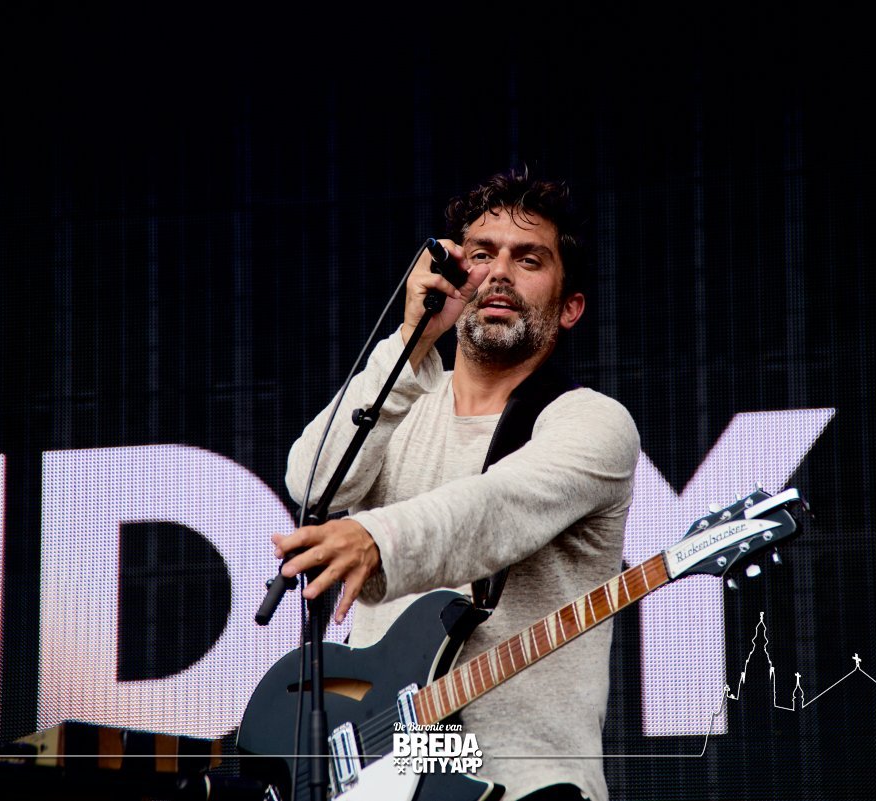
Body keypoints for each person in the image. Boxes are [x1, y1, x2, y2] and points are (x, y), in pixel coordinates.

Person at [272, 167, 640, 801]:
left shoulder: (591, 422)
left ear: (570, 307)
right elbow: (311, 484)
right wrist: (410, 343)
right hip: (394, 775)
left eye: (529, 259)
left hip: (528, 783)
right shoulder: (401, 403)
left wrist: (376, 540)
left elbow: (493, 510)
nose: (499, 273)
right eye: (481, 255)